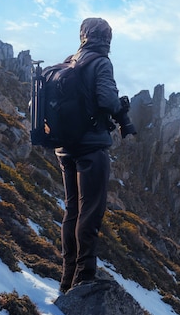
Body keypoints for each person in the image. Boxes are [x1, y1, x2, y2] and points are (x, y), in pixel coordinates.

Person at [56, 17, 136, 292]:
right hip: (91, 147)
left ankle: (67, 277)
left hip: (65, 148)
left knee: (72, 210)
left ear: (83, 35)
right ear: (107, 39)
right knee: (90, 211)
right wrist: (119, 108)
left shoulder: (70, 61)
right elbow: (106, 99)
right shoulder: (101, 62)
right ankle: (85, 275)